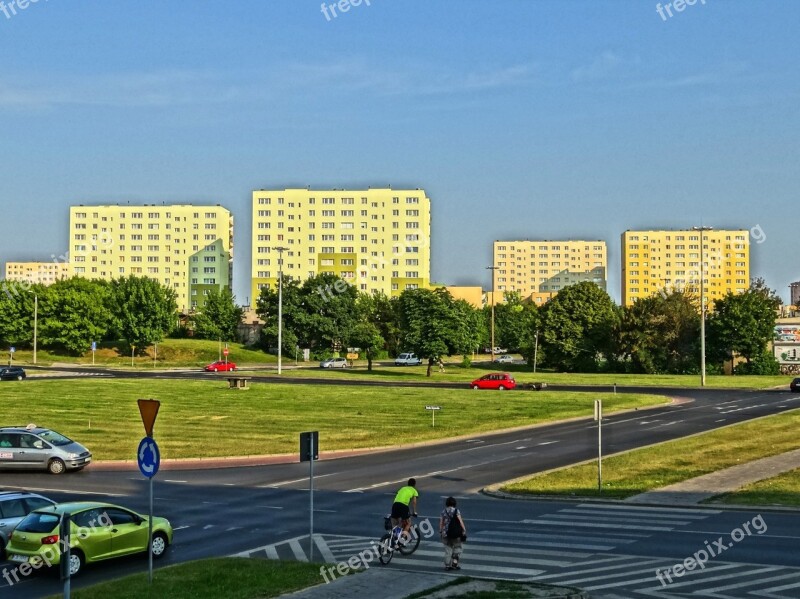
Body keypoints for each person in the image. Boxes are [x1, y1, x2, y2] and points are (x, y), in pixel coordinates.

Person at [439, 496, 466, 570]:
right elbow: (460, 521)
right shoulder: (456, 511)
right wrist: (464, 529)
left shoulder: (443, 511)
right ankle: (454, 563)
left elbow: (441, 523)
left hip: (446, 533)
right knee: (457, 547)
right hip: (455, 533)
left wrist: (441, 531)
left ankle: (447, 565)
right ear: (454, 503)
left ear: (447, 503)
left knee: (448, 549)